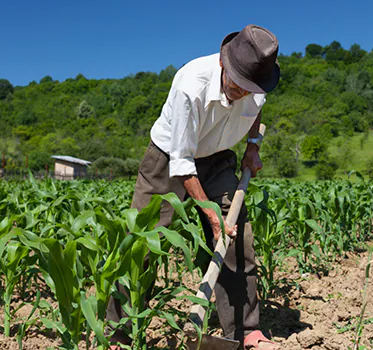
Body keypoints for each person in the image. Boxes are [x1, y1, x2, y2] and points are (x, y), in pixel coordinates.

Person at [106, 24, 281, 350]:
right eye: (237, 84)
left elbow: (256, 113)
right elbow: (182, 162)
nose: (241, 92)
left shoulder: (257, 85)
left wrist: (253, 146)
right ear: (222, 64)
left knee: (237, 240)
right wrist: (211, 215)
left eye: (249, 88)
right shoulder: (190, 84)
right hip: (168, 159)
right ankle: (119, 334)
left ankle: (245, 330)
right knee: (141, 243)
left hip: (219, 159)